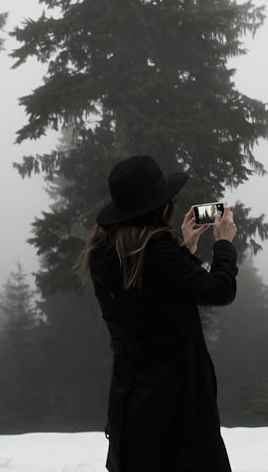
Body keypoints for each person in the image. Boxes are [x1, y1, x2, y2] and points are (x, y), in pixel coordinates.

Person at [80, 154, 239, 472]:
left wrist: (184, 250)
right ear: (158, 207)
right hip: (178, 408)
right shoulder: (157, 253)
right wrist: (224, 243)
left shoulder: (102, 254)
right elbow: (220, 290)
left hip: (132, 402)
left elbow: (148, 296)